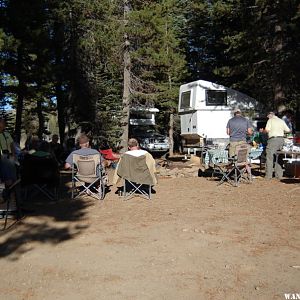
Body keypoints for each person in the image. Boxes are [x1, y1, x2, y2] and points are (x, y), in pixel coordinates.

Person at [265, 112, 291, 179]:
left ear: (270, 115)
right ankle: (279, 175)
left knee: (270, 157)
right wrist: (281, 132)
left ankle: (268, 175)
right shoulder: (281, 121)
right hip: (281, 140)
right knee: (279, 157)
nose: (267, 117)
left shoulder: (270, 120)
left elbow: (267, 130)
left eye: (268, 116)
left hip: (273, 140)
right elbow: (288, 130)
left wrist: (263, 131)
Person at [0, 118, 17, 188]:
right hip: (2, 156)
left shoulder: (6, 133)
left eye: (4, 123)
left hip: (9, 155)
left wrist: (13, 154)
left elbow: (12, 144)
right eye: (3, 122)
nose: (4, 124)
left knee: (12, 162)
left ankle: (10, 188)